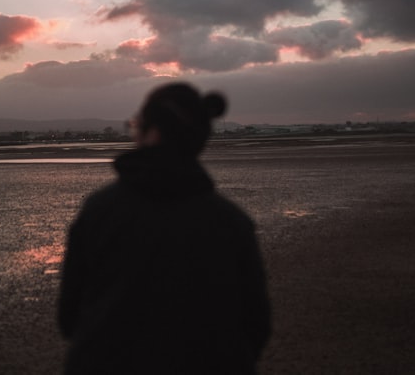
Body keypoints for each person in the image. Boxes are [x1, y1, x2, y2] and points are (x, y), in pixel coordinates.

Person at [58, 82, 270, 374]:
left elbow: (69, 318)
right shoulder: (231, 222)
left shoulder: (99, 212)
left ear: (153, 132)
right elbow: (257, 323)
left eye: (137, 125)